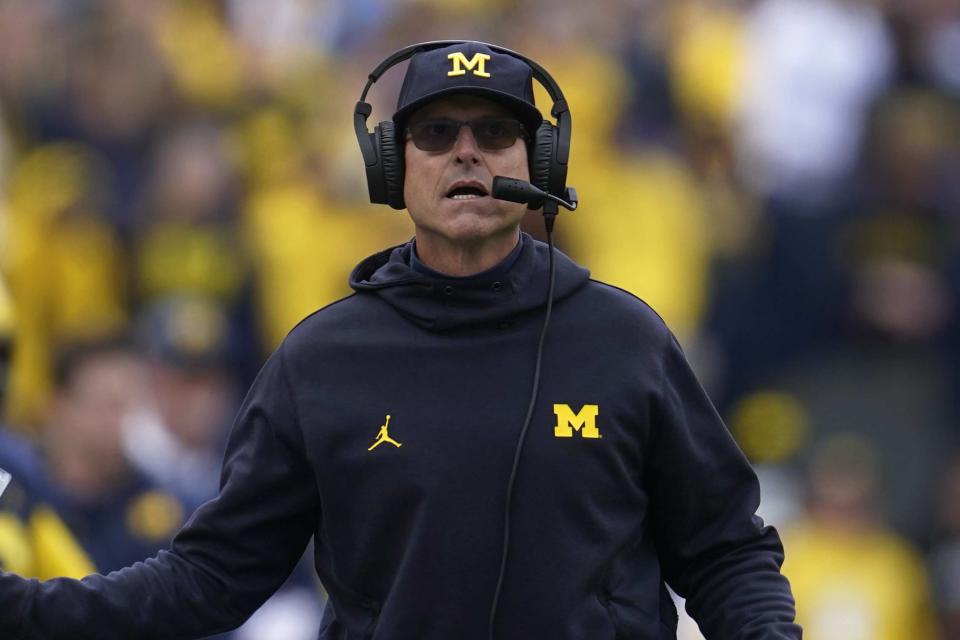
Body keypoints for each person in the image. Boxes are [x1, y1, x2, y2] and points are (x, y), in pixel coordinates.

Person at [0, 41, 801, 639]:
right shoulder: (321, 360)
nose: (465, 152)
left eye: (494, 132)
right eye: (435, 133)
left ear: (540, 164)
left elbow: (726, 549)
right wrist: (26, 608)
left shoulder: (625, 340)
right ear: (392, 169)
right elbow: (211, 575)